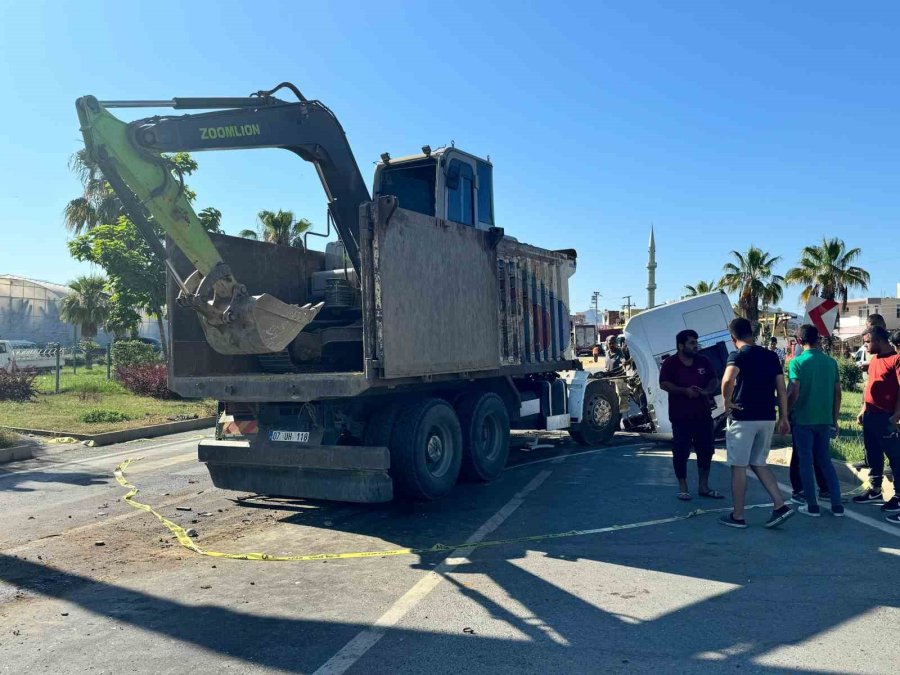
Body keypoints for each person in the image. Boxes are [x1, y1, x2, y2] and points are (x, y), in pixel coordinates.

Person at [719, 317, 795, 529]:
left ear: (733, 337)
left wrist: (727, 401)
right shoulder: (771, 356)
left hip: (744, 418)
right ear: (751, 334)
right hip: (767, 417)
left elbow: (727, 379)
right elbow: (781, 388)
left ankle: (738, 515)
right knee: (759, 462)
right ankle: (780, 505)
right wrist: (784, 417)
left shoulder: (737, 355)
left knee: (738, 466)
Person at [787, 324, 844, 516]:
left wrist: (786, 412)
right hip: (824, 419)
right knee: (825, 461)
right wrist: (834, 419)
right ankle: (837, 505)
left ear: (799, 341)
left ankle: (812, 505)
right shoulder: (831, 363)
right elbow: (838, 394)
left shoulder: (796, 363)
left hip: (803, 420)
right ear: (818, 339)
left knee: (805, 462)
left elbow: (794, 391)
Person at [659, 329, 722, 501]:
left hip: (703, 414)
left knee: (706, 450)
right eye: (692, 343)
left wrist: (706, 391)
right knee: (680, 451)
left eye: (696, 342)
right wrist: (684, 391)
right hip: (681, 416)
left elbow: (714, 379)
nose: (696, 346)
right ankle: (683, 487)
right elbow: (664, 384)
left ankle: (704, 486)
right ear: (681, 346)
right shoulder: (670, 363)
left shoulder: (703, 360)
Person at [851, 326, 900, 517]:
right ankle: (875, 489)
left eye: (867, 342)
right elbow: (869, 386)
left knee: (895, 457)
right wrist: (863, 408)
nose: (865, 346)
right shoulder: (874, 360)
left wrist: (896, 414)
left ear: (879, 340)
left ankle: (898, 496)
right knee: (873, 454)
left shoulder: (896, 359)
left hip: (886, 417)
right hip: (871, 415)